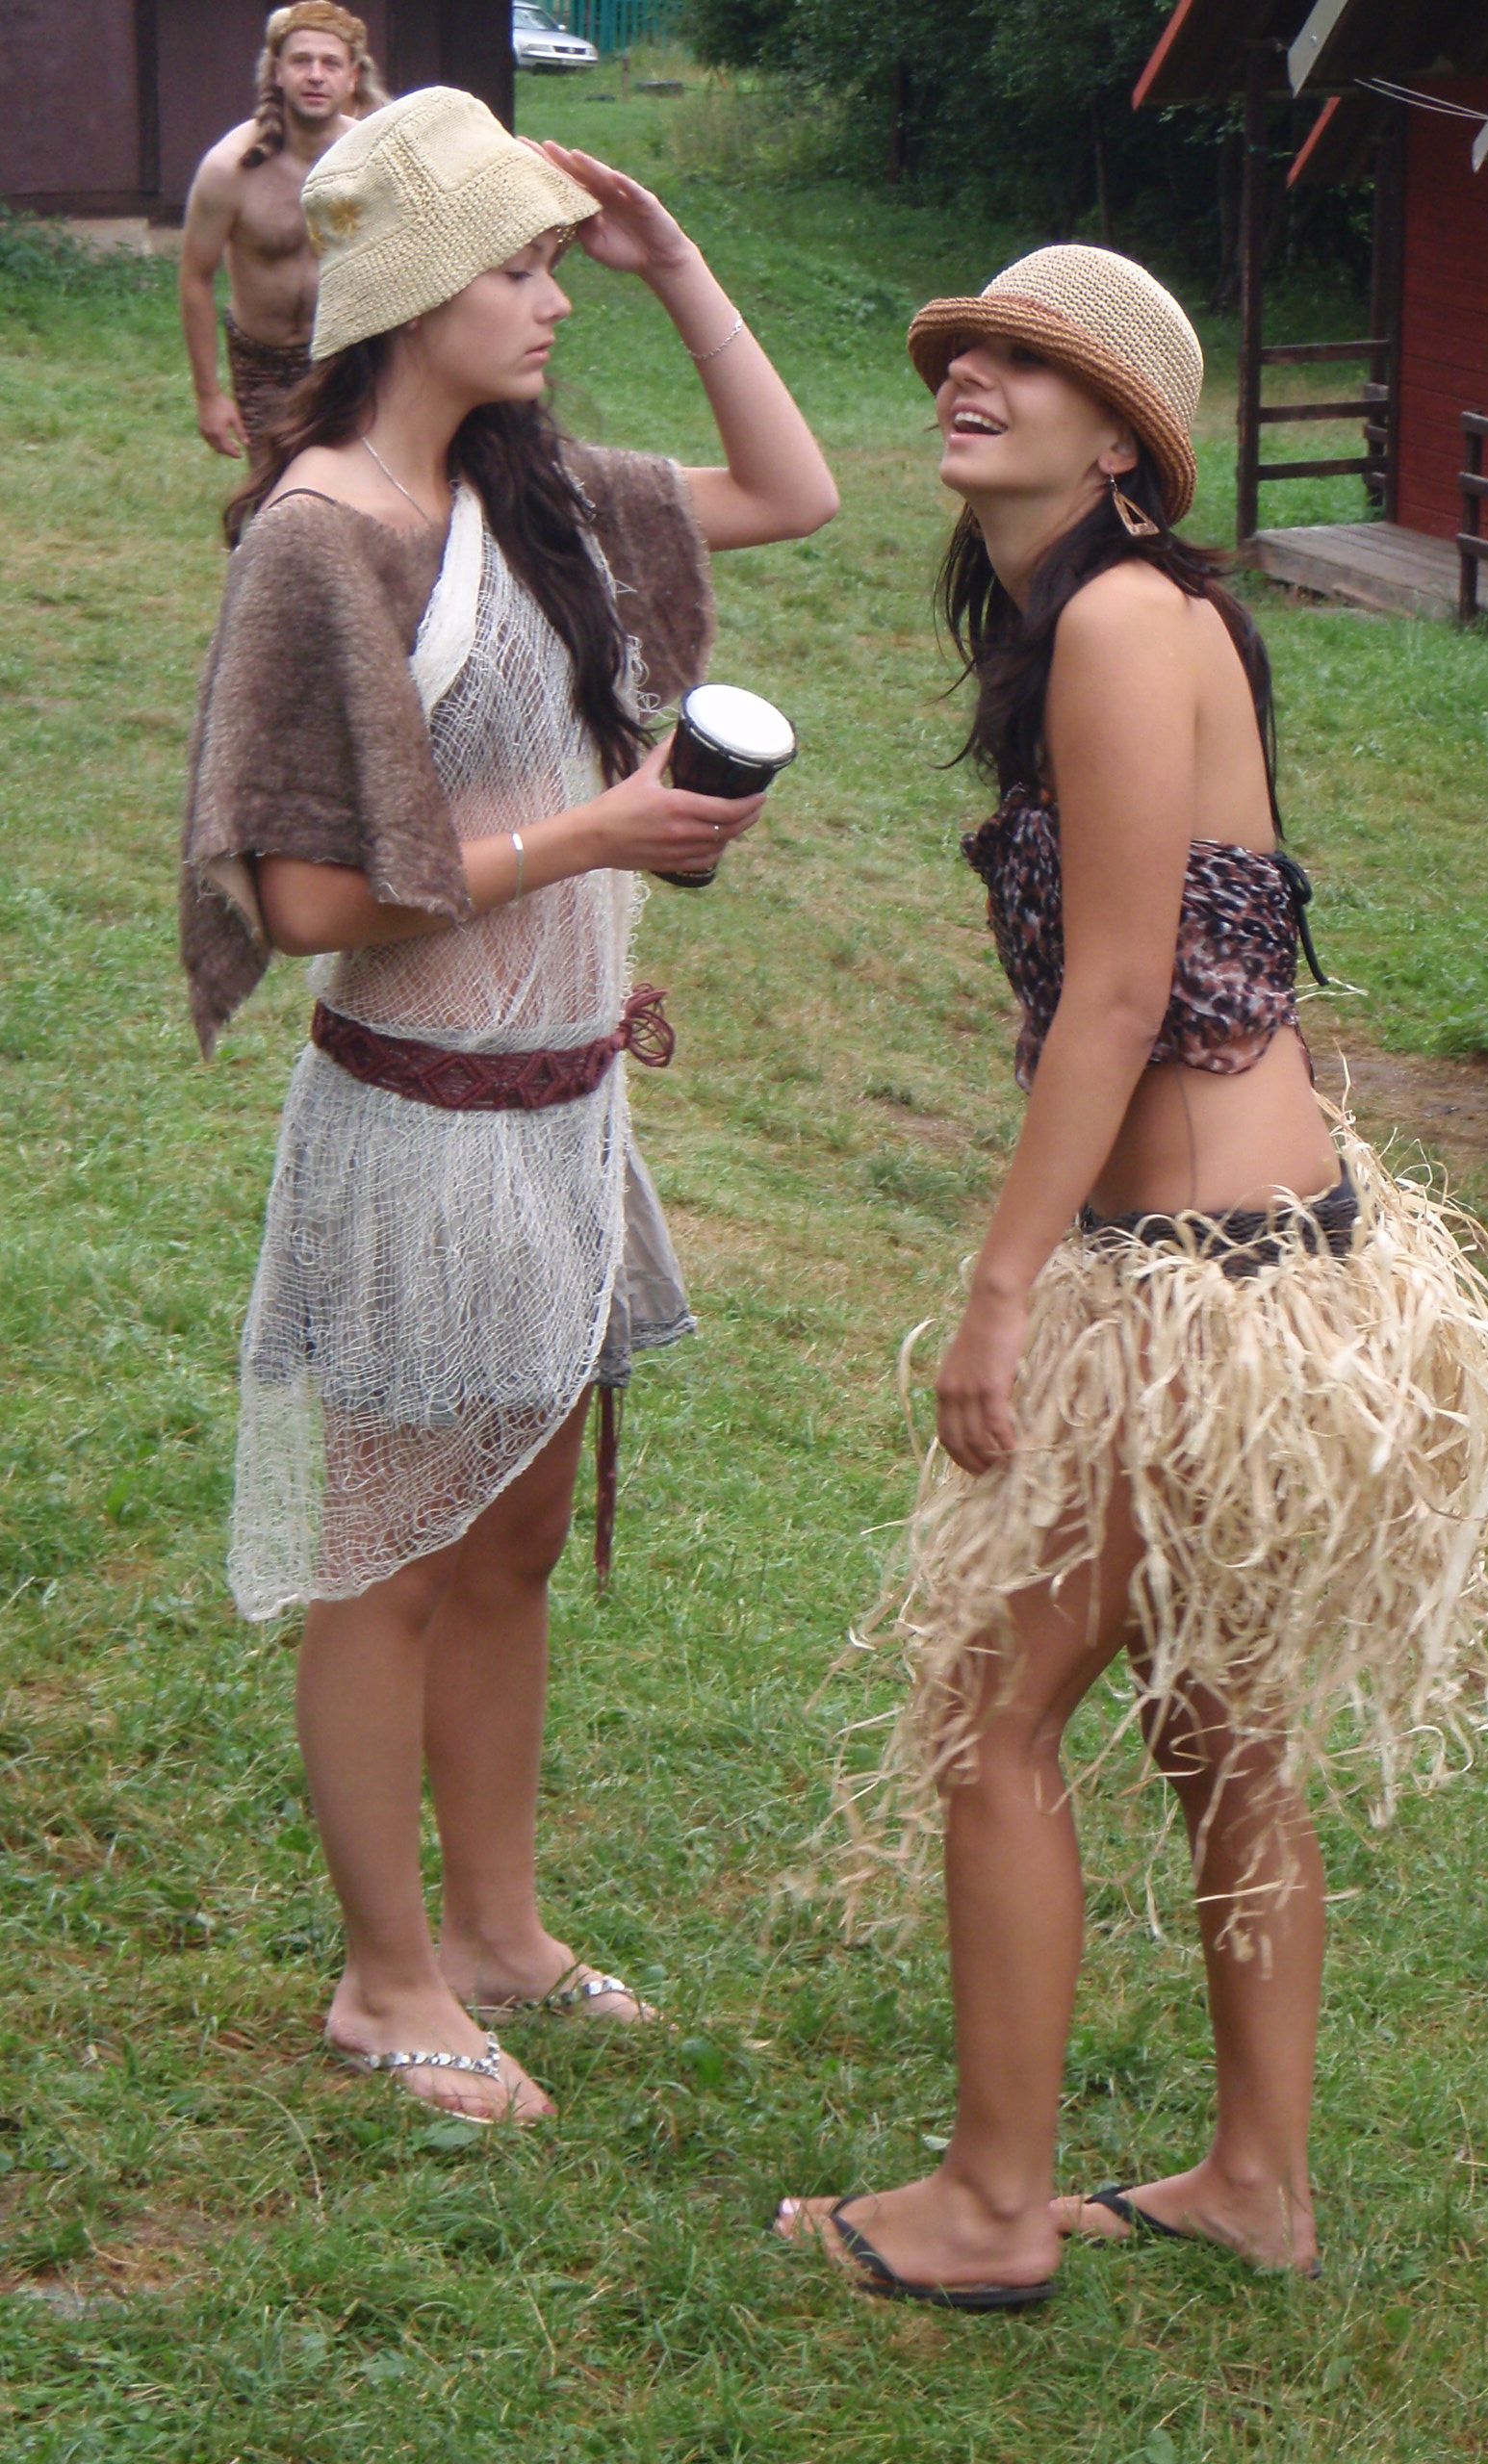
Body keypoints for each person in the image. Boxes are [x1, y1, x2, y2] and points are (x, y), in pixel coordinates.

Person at [777, 246, 1488, 2305]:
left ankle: (989, 2207)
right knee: (1219, 1726)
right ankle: (1255, 2180)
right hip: (1276, 1264)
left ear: (1126, 442)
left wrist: (1004, 1289)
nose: (977, 375)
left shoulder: (1114, 619)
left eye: (1034, 364)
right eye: (969, 349)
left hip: (1199, 1291)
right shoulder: (1116, 619)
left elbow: (1114, 996)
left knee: (992, 1716)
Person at [180, 87, 837, 2122]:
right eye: (521, 268)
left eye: (559, 264)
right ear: (413, 292)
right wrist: (595, 833)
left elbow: (792, 487)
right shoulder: (323, 538)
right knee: (385, 1554)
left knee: (515, 1537)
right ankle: (386, 1982)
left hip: (564, 1117)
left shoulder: (534, 495)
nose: (556, 301)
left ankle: (499, 1933)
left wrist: (679, 264)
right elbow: (302, 900)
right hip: (416, 1126)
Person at [178, 5, 385, 457]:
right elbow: (195, 276)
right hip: (262, 362)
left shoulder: (373, 160)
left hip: (348, 356)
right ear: (277, 72)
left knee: (352, 484)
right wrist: (209, 395)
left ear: (352, 77)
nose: (315, 75)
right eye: (300, 61)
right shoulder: (230, 168)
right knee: (277, 487)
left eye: (330, 63)